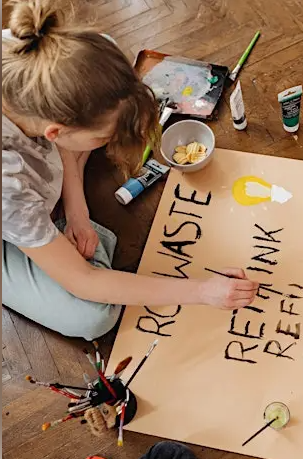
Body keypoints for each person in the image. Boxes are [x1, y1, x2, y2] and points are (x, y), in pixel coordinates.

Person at [1, 0, 258, 341]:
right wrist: (202, 291)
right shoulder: (10, 187)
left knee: (105, 57)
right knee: (91, 318)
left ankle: (55, 230)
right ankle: (45, 240)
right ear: (54, 132)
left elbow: (69, 130)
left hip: (36, 175)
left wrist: (77, 210)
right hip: (11, 212)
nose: (113, 143)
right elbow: (84, 282)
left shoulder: (30, 51)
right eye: (104, 137)